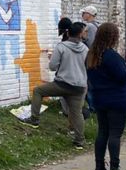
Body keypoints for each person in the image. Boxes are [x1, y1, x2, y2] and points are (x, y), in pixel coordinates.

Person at [22, 21, 88, 149]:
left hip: (62, 84)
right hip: (79, 87)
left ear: (68, 33)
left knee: (38, 91)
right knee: (77, 113)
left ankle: (34, 120)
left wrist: (52, 58)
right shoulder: (85, 49)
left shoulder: (61, 47)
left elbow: (52, 67)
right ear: (80, 34)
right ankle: (79, 141)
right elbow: (87, 66)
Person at [85, 23, 126, 170]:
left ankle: (99, 168)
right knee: (115, 134)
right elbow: (123, 76)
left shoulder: (91, 55)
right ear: (113, 37)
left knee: (102, 133)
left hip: (99, 99)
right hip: (116, 100)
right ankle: (114, 169)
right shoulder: (111, 56)